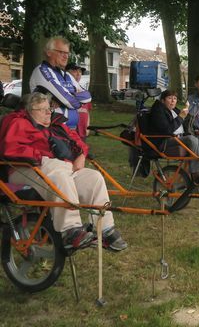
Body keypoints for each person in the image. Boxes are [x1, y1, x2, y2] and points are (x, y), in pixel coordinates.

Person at [0, 92, 127, 252]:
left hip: (59, 170)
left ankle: (104, 229)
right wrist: (43, 156)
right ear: (29, 110)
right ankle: (70, 231)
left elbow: (79, 141)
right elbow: (10, 149)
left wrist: (81, 155)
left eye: (49, 108)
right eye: (42, 109)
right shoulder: (18, 122)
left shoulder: (57, 124)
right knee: (58, 171)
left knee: (93, 178)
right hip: (25, 169)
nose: (48, 112)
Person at [146, 89, 199, 178]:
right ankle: (197, 174)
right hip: (165, 140)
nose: (173, 100)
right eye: (170, 98)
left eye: (175, 98)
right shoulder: (158, 111)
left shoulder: (174, 109)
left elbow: (186, 122)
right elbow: (167, 130)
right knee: (191, 139)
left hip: (180, 138)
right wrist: (181, 117)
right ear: (163, 101)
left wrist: (196, 129)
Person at [29, 37, 92, 131]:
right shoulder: (43, 70)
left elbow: (87, 96)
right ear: (49, 52)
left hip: (71, 131)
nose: (66, 56)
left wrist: (61, 99)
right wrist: (69, 98)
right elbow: (69, 102)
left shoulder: (66, 74)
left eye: (67, 53)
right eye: (61, 52)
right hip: (52, 130)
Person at [65, 63, 92, 141]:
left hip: (82, 133)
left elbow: (87, 111)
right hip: (69, 132)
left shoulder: (85, 93)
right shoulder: (63, 91)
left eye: (80, 71)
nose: (78, 74)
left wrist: (87, 126)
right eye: (74, 71)